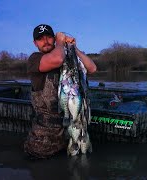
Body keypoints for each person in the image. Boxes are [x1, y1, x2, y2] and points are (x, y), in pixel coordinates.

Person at [24, 24, 97, 158]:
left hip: (68, 139)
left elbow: (92, 68)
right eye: (40, 39)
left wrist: (74, 48)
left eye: (49, 37)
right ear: (35, 43)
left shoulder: (67, 59)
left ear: (53, 38)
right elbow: (56, 60)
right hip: (42, 144)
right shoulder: (34, 59)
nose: (45, 41)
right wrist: (60, 42)